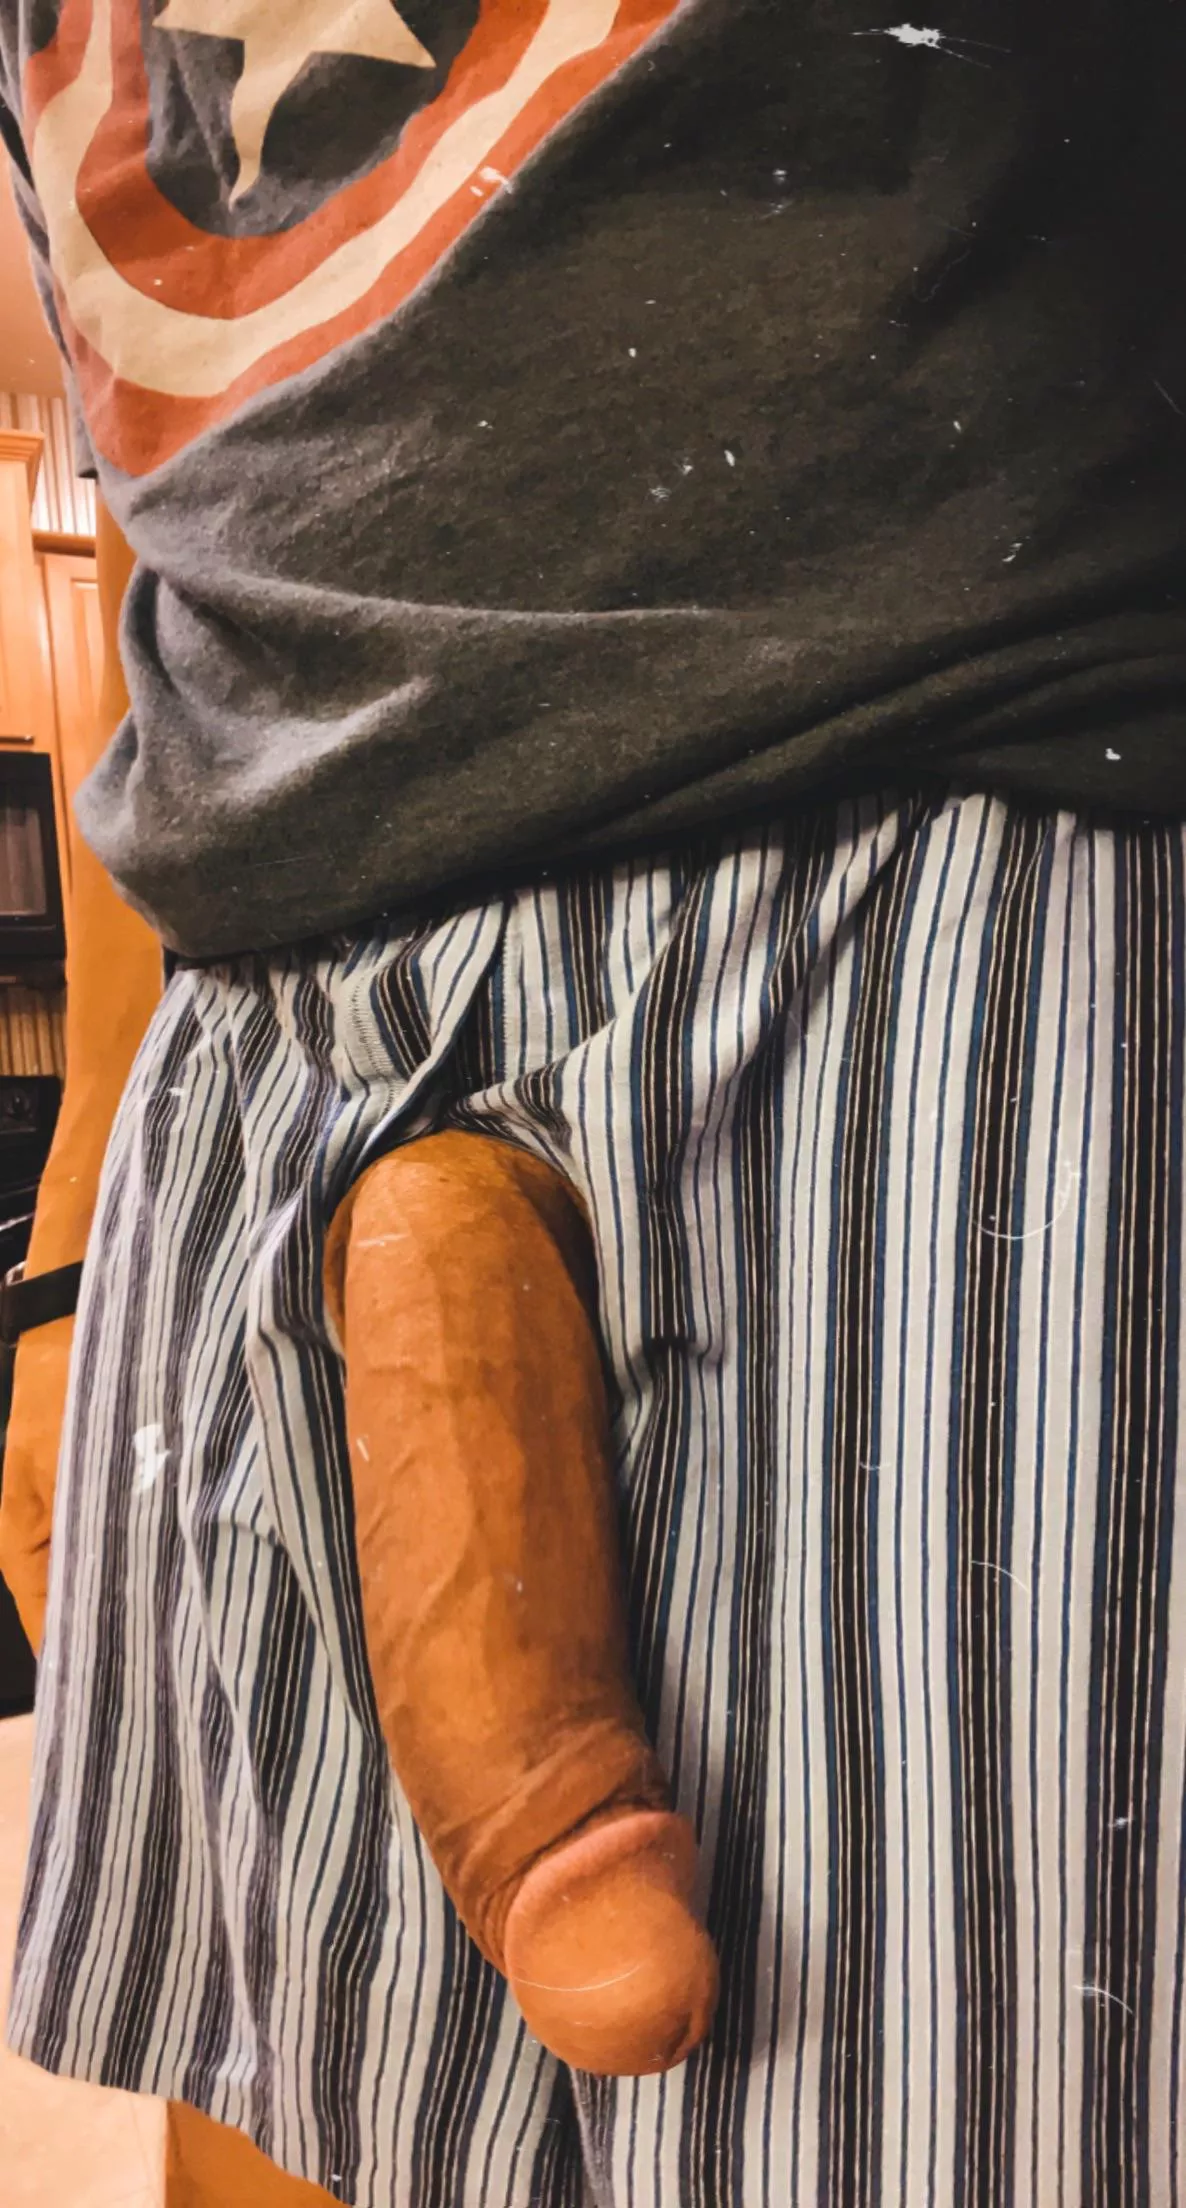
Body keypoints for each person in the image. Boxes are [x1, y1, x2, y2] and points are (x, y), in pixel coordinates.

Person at [2, 2, 1186, 2202]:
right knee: (296, 2108)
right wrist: (74, 1235)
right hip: (256, 1033)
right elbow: (163, 471)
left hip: (949, 908)